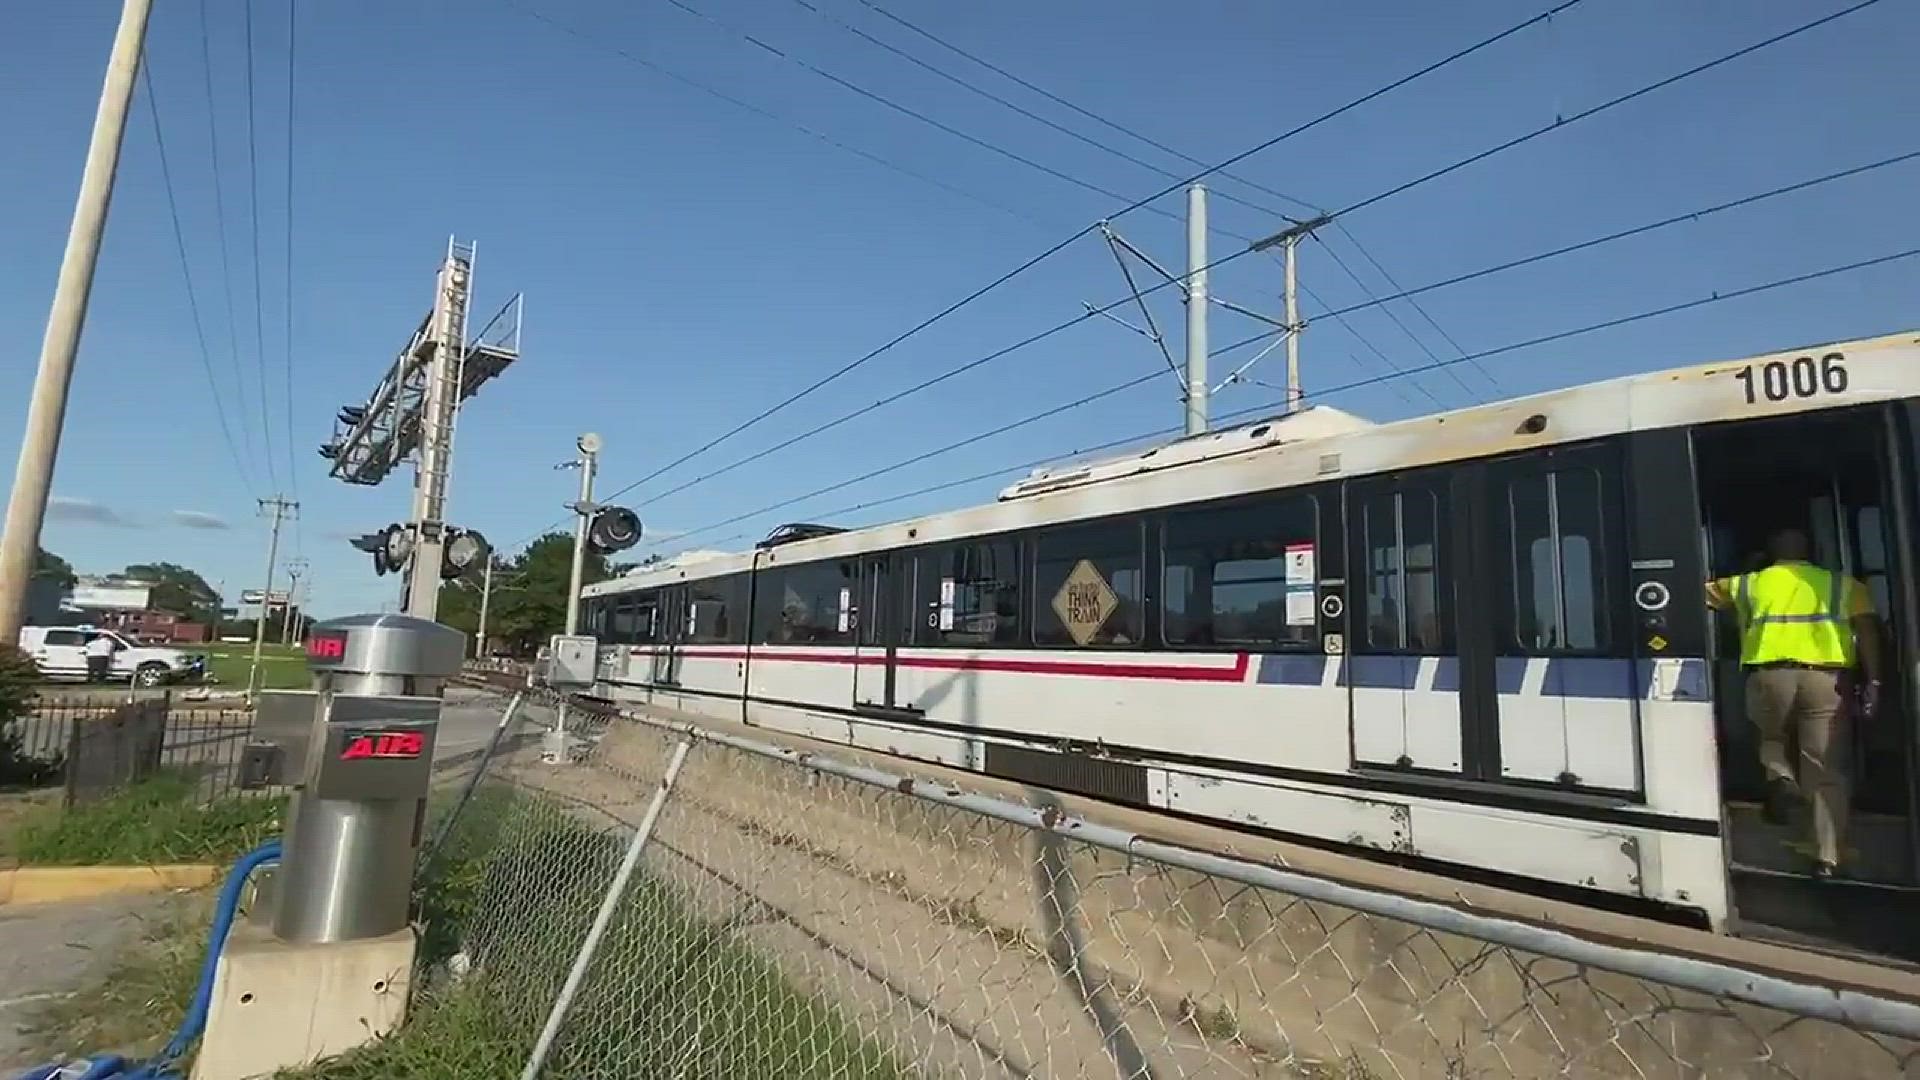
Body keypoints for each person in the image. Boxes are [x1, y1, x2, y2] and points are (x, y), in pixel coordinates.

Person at [1705, 527, 1880, 879]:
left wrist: (1751, 566)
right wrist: (1873, 680)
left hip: (1769, 677)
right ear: (1811, 552)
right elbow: (1868, 632)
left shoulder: (1749, 583)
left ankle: (1781, 779)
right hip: (1826, 680)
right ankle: (1826, 857)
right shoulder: (1843, 585)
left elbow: (1696, 593)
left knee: (1771, 739)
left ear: (1773, 552)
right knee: (1826, 765)